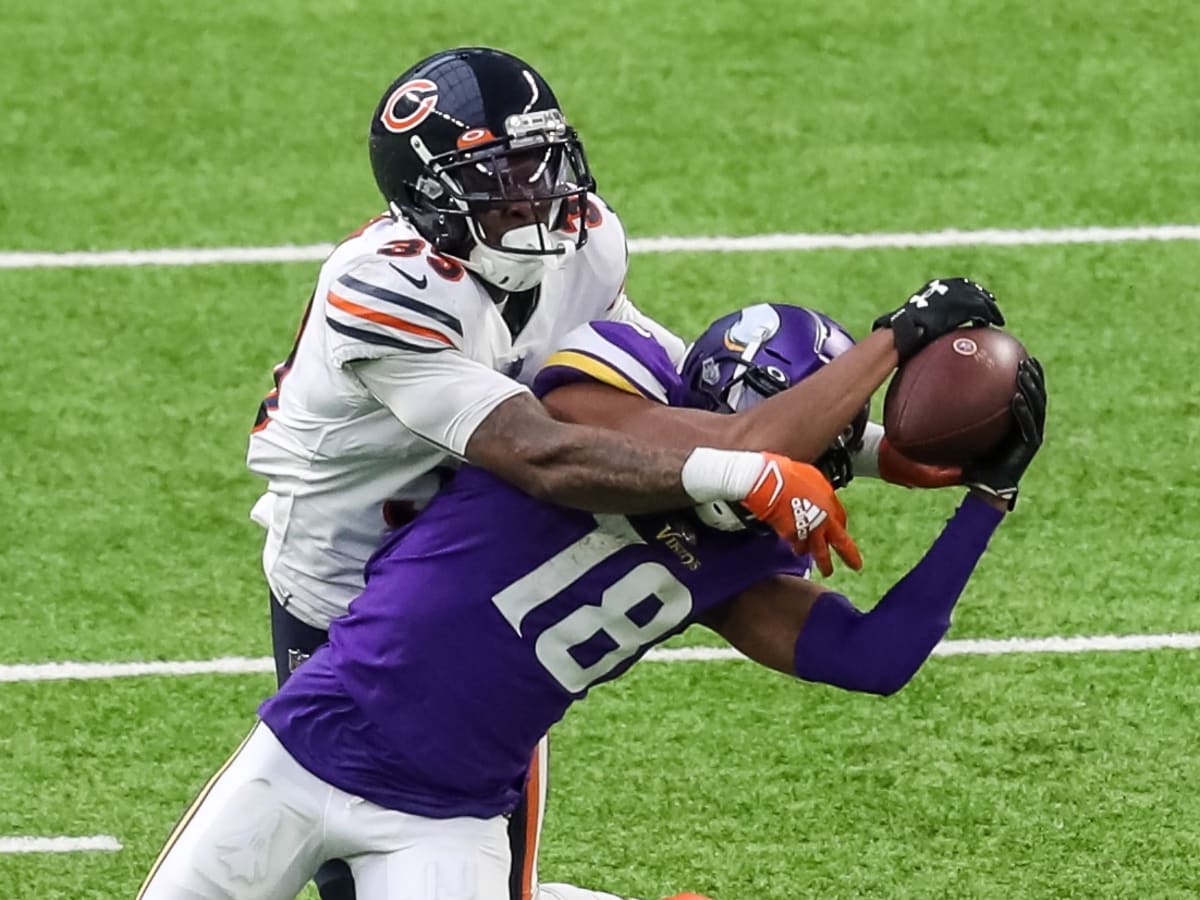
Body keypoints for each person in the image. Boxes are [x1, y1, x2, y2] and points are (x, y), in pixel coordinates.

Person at [244, 41, 1004, 900]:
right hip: (342, 581)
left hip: (467, 594)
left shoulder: (585, 248)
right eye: (506, 176)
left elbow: (672, 387)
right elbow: (544, 452)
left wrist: (868, 452)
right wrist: (871, 361)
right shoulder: (391, 292)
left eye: (540, 162)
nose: (539, 194)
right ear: (433, 202)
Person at [146, 303, 1046, 900]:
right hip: (309, 745)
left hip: (448, 819)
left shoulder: (742, 553)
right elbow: (735, 447)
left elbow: (873, 659)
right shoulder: (605, 385)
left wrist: (986, 500)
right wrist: (900, 336)